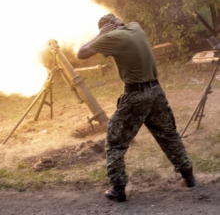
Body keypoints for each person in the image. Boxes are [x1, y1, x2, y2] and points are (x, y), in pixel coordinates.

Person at [77, 13, 195, 202]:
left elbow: (81, 53)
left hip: (136, 95)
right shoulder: (135, 27)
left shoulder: (110, 37)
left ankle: (118, 188)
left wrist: (100, 34)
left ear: (106, 28)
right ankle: (188, 176)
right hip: (156, 91)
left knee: (115, 142)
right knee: (168, 135)